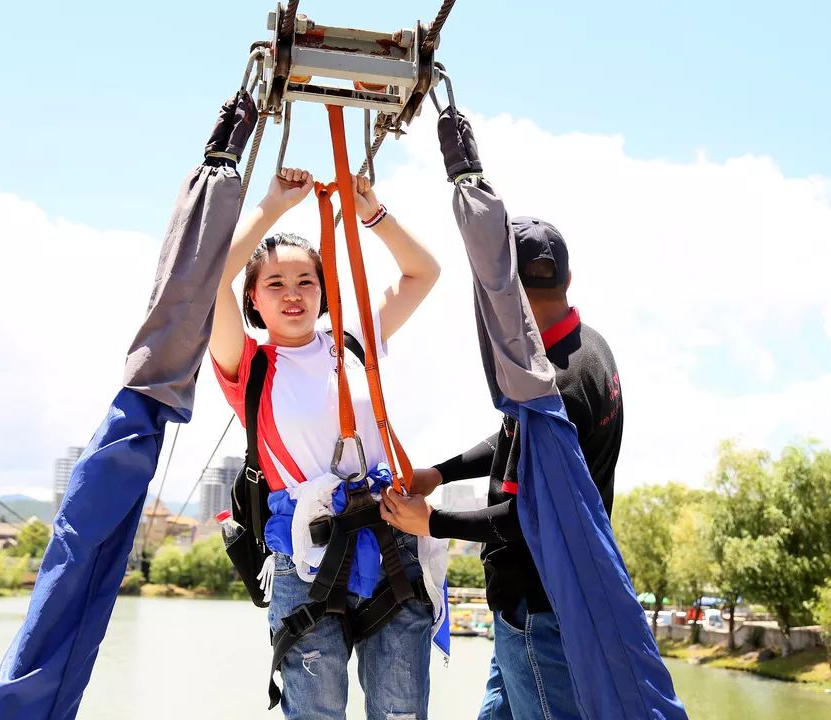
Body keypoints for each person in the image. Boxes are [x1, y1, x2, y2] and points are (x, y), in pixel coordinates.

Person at [209, 167, 443, 719]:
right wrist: (272, 207)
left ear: (324, 290)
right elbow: (209, 278)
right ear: (253, 299)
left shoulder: (355, 343)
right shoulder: (250, 365)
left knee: (401, 712)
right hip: (306, 555)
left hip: (388, 541)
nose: (292, 295)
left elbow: (422, 273)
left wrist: (372, 214)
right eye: (275, 284)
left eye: (306, 282)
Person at [382, 212, 624, 719]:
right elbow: (518, 437)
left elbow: (529, 517)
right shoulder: (588, 349)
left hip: (537, 604)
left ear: (504, 292)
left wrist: (433, 522)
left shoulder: (552, 383)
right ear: (567, 278)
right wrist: (441, 473)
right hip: (547, 599)